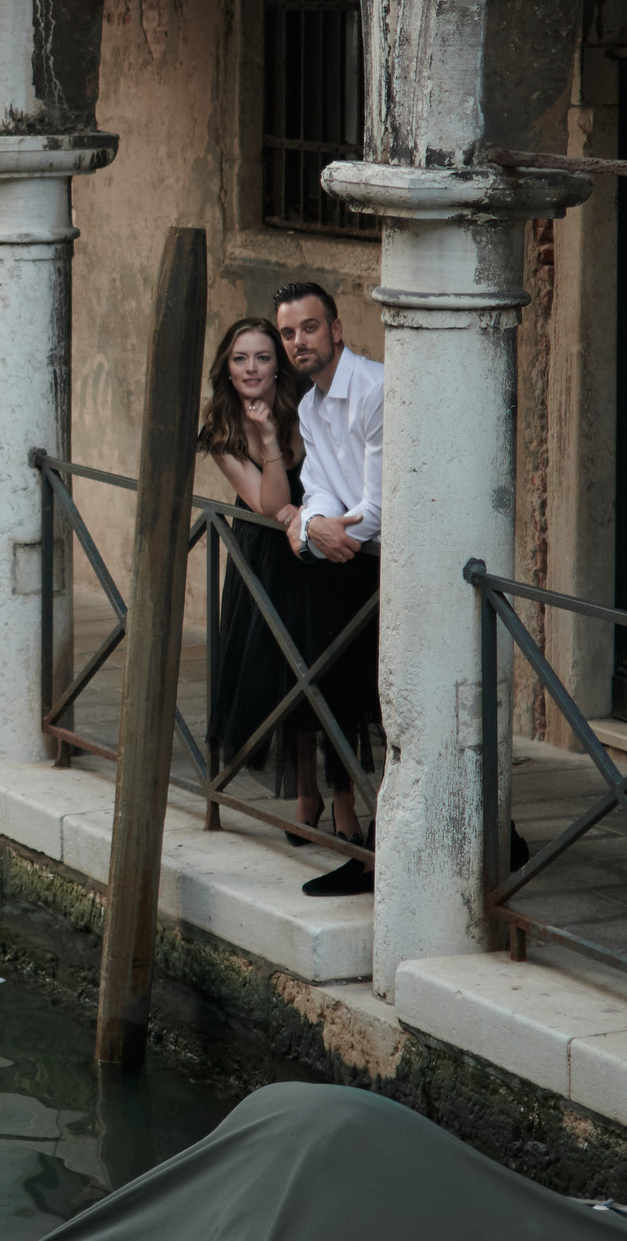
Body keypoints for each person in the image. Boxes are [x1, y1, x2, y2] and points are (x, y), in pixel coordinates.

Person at [274, 280, 383, 898]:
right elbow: (318, 487)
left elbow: (377, 504)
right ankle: (370, 854)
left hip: (399, 567)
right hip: (354, 567)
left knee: (395, 711)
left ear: (336, 329)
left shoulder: (373, 390)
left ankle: (493, 840)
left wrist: (319, 534)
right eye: (288, 333)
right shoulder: (311, 407)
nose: (297, 343)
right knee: (347, 696)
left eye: (308, 328)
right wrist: (314, 524)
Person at [197, 317, 326, 834]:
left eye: (263, 357)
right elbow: (272, 503)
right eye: (240, 359)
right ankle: (306, 794)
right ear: (227, 370)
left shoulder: (310, 410)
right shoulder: (223, 432)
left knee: (321, 668)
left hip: (315, 549)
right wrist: (270, 438)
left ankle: (338, 797)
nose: (251, 368)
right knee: (280, 675)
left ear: (279, 367)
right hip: (263, 559)